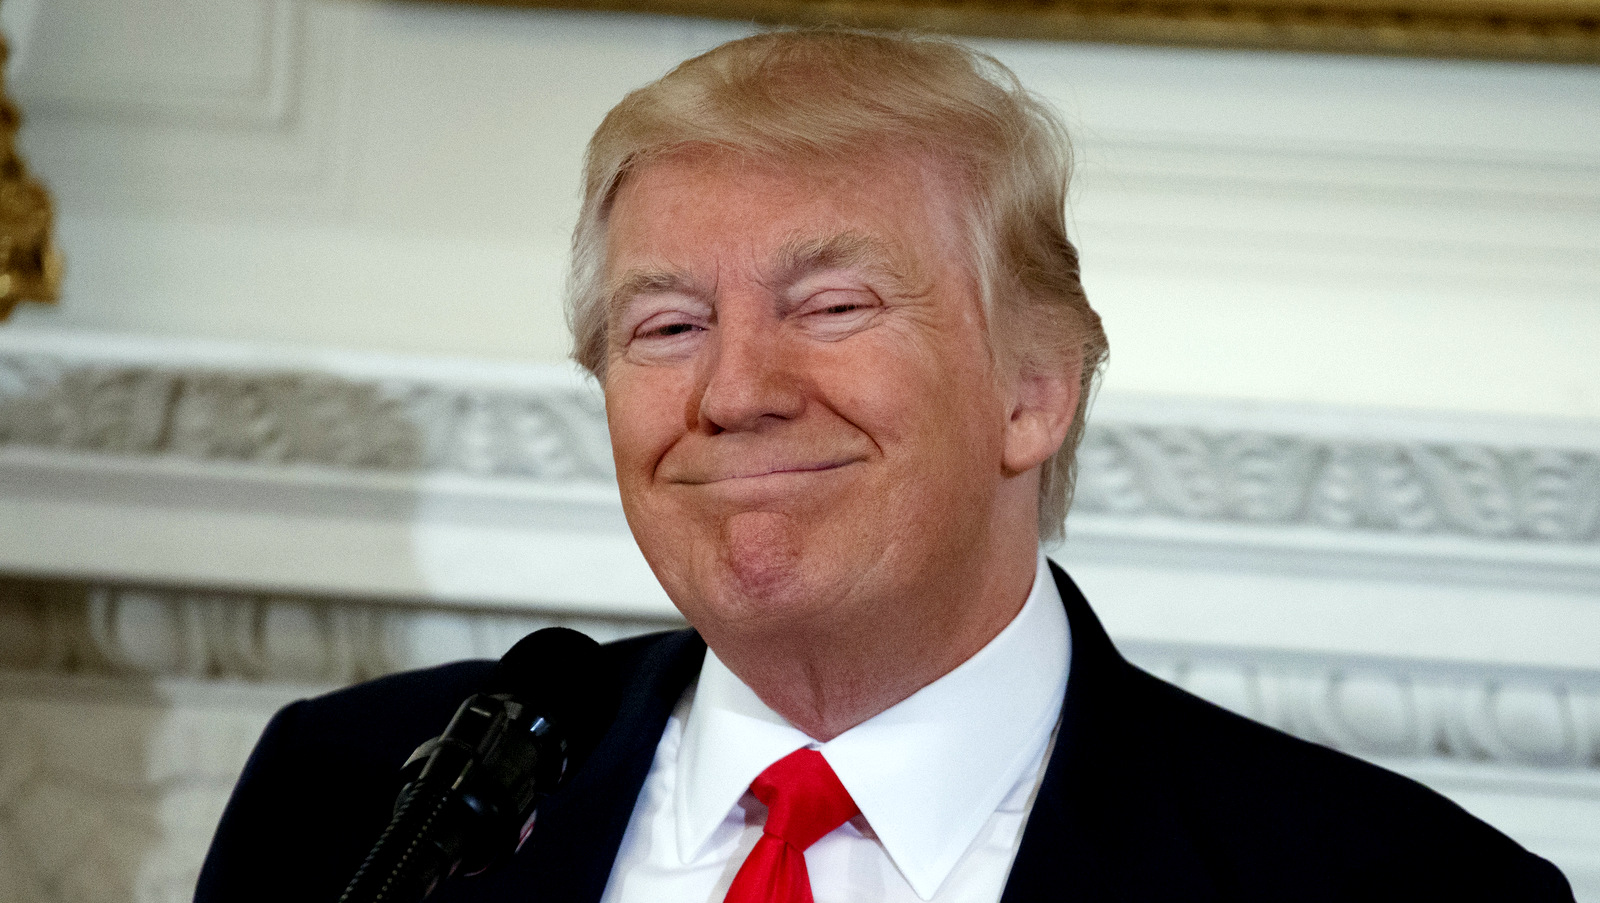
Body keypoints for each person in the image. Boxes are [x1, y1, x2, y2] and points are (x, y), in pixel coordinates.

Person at [195, 29, 1574, 903]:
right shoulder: (357, 797)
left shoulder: (1394, 890)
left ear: (1034, 394)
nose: (735, 392)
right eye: (668, 326)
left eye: (832, 308)